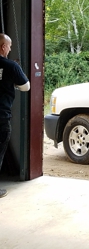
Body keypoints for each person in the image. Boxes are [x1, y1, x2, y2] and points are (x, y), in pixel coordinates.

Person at [0, 34, 30, 198]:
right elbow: (26, 87)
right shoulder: (11, 66)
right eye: (9, 46)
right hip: (1, 116)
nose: (10, 49)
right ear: (4, 47)